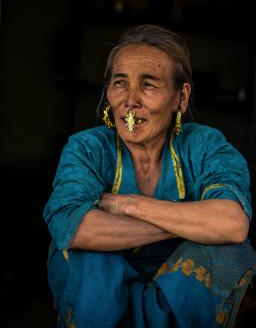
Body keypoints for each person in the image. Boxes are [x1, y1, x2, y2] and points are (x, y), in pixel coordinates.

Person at [43, 24, 256, 328]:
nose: (130, 101)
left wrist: (128, 205)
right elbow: (73, 228)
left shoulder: (205, 146)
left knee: (228, 251)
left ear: (180, 98)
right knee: (87, 254)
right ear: (107, 94)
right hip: (102, 292)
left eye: (148, 85)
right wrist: (192, 224)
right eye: (119, 84)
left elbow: (232, 224)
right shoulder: (87, 148)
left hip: (179, 285)